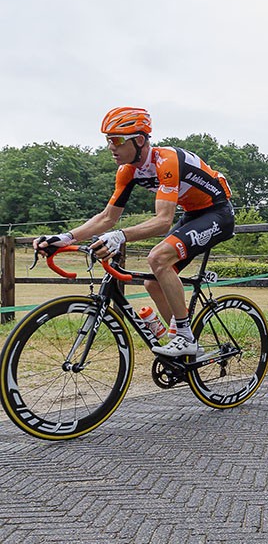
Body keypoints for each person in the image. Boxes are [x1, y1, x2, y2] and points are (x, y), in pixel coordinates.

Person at [34, 107, 235, 358]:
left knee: (158, 258)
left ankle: (184, 336)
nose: (110, 147)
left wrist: (119, 236)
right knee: (152, 282)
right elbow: (108, 218)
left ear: (139, 140)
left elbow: (163, 221)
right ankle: (187, 343)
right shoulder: (128, 171)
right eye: (107, 140)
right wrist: (65, 238)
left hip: (217, 214)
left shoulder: (166, 161)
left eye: (116, 139)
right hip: (193, 214)